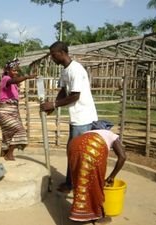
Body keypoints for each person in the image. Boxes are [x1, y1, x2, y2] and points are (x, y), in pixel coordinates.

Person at [40, 41, 98, 193]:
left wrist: (53, 105)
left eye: (53, 55)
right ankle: (71, 182)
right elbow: (64, 91)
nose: (52, 58)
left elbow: (74, 96)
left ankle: (74, 185)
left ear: (62, 53)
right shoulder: (65, 70)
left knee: (77, 152)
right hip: (77, 117)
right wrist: (54, 104)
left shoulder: (76, 70)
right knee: (73, 151)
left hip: (83, 118)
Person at [67, 129, 126, 224]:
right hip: (93, 146)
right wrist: (112, 176)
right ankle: (97, 215)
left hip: (73, 145)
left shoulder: (90, 132)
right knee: (96, 182)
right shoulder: (113, 136)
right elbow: (122, 156)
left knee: (79, 180)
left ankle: (79, 212)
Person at [0, 59, 36, 161]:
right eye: (14, 70)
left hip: (12, 111)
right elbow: (12, 81)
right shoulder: (6, 79)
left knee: (7, 134)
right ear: (8, 70)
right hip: (4, 111)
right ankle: (9, 154)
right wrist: (26, 77)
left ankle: (3, 154)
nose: (16, 72)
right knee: (19, 130)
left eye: (17, 71)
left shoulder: (14, 84)